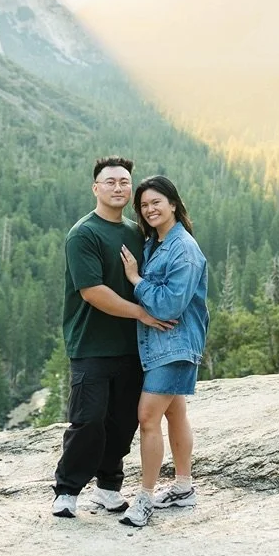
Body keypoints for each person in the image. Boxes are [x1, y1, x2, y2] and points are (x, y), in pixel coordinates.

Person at [51, 156, 176, 519]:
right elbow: (92, 292)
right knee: (88, 419)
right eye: (110, 182)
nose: (118, 187)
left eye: (124, 182)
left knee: (122, 422)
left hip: (133, 345)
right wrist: (142, 313)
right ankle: (67, 490)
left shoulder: (136, 232)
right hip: (91, 344)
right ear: (96, 188)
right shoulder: (83, 234)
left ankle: (108, 486)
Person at [116, 174, 209, 527]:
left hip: (175, 344)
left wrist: (136, 280)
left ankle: (145, 498)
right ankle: (183, 487)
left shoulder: (183, 248)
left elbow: (170, 305)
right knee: (175, 414)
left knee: (147, 417)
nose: (149, 209)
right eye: (143, 205)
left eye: (156, 202)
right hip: (161, 345)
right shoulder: (156, 242)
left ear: (173, 204)